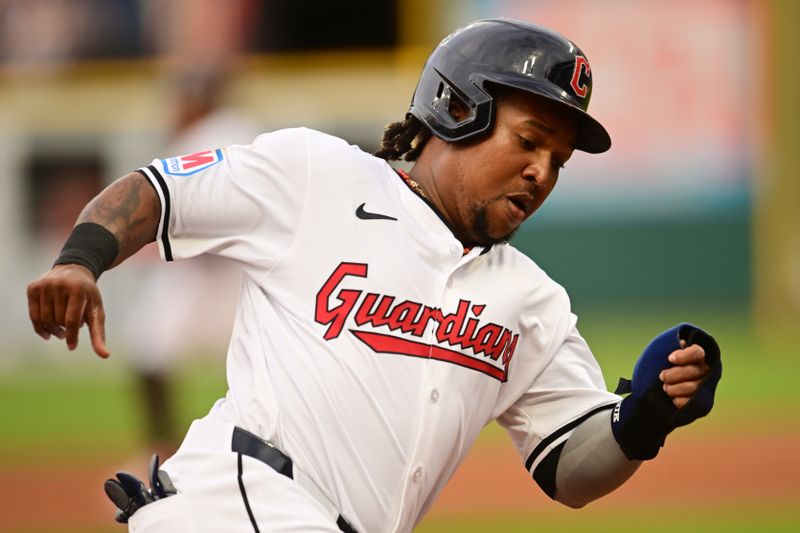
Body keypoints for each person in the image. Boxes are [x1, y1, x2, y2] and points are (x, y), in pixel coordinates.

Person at [26, 19, 722, 533]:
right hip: (236, 503)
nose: (542, 171)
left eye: (559, 159)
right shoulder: (318, 175)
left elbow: (568, 467)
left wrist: (642, 419)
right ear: (456, 108)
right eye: (529, 140)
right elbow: (160, 191)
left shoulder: (530, 298)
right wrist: (80, 259)